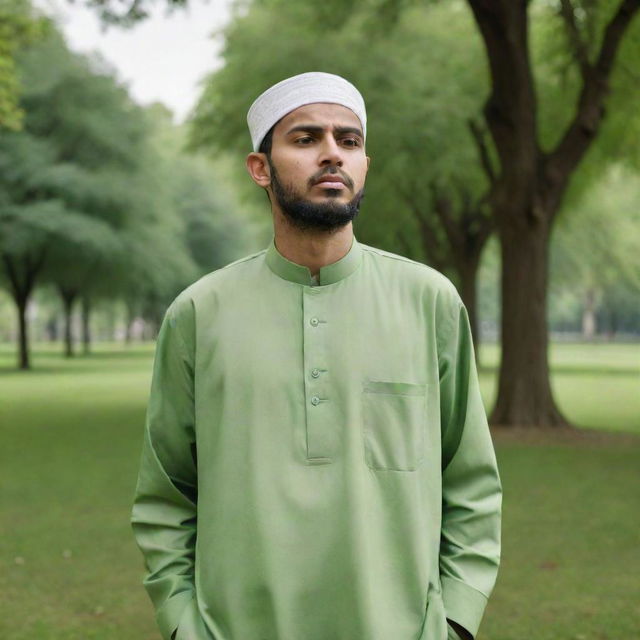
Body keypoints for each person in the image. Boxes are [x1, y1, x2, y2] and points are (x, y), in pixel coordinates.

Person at [131, 71, 501, 640]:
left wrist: (457, 619)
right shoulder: (199, 313)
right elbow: (166, 494)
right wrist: (183, 623)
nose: (332, 154)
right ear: (261, 168)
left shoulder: (430, 302)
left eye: (348, 141)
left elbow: (470, 483)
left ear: (364, 166)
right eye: (306, 139)